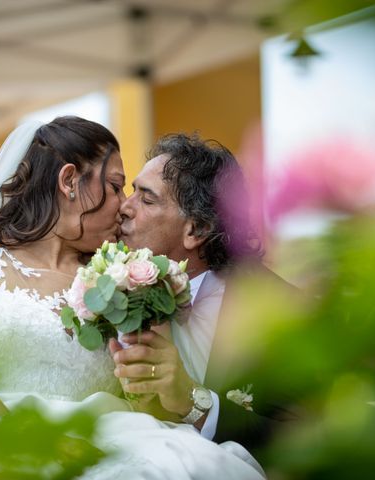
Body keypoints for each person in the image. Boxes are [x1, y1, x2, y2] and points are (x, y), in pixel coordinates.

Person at [0, 117, 265, 479]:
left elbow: (150, 403)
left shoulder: (120, 274)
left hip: (111, 436)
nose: (122, 205)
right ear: (69, 181)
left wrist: (148, 381)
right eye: (117, 186)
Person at [112, 133, 300, 450]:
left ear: (197, 230)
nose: (123, 208)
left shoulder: (278, 311)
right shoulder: (110, 286)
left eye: (146, 199)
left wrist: (196, 404)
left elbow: (305, 442)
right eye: (131, 192)